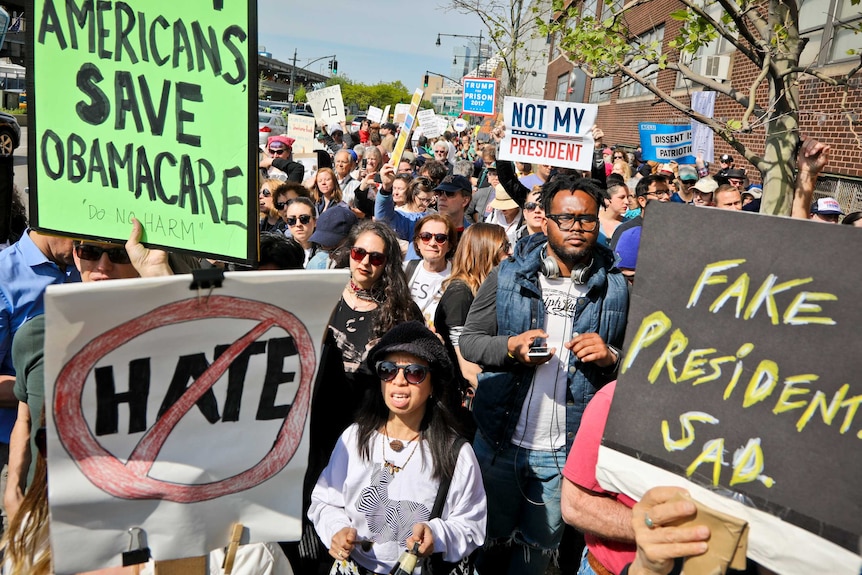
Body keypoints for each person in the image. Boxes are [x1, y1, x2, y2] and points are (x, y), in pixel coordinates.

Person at [459, 175, 629, 575]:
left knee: (536, 560)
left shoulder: (617, 289)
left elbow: (640, 363)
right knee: (485, 549)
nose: (576, 228)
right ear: (546, 220)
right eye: (565, 219)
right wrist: (509, 348)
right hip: (499, 444)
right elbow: (470, 342)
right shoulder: (507, 277)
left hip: (565, 456)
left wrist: (612, 357)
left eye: (586, 220)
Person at [308, 321, 487, 575]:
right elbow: (325, 501)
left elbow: (472, 524)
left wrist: (436, 535)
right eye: (388, 370)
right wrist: (336, 529)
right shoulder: (354, 439)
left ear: (432, 383)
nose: (399, 381)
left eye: (414, 372)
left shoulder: (455, 453)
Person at [434, 223, 509, 395]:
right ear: (485, 252)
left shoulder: (481, 290)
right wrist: (499, 400)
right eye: (504, 247)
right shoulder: (459, 295)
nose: (509, 253)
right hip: (463, 395)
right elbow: (468, 368)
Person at [404, 215, 456, 326]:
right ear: (417, 242)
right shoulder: (404, 270)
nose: (432, 243)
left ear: (450, 245)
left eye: (440, 238)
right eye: (426, 237)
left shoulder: (457, 277)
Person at [284, 198, 317, 266]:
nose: (298, 224)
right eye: (291, 220)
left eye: (304, 219)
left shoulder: (326, 251)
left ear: (315, 221)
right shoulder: (282, 252)